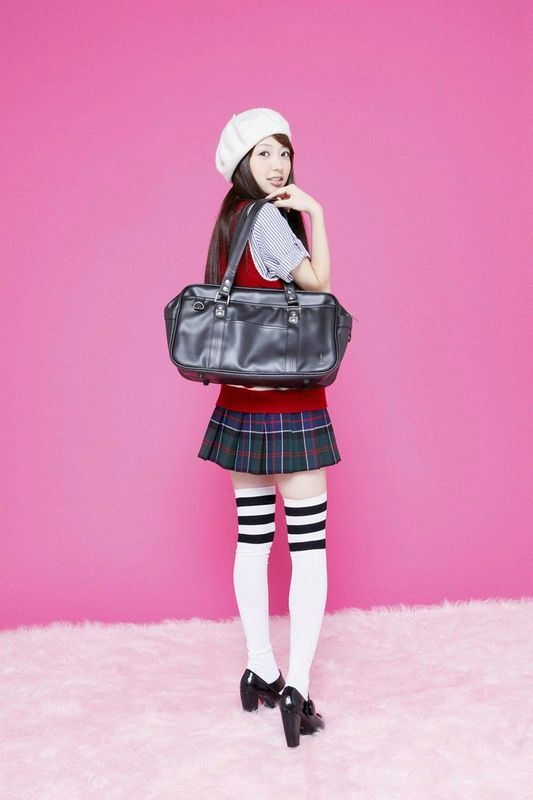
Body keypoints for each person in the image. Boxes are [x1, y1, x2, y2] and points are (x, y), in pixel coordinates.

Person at [198, 108, 341, 747]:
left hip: (239, 402)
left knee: (253, 540)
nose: (279, 165)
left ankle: (260, 667)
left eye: (284, 152)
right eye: (264, 154)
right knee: (307, 547)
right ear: (242, 164)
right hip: (291, 405)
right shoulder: (270, 220)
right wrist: (317, 214)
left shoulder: (230, 219)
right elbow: (318, 284)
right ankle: (297, 687)